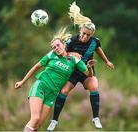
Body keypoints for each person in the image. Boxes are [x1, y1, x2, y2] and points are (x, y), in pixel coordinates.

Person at [47, 1, 114, 131]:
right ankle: (54, 120)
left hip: (86, 71)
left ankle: (95, 118)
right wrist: (72, 53)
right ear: (80, 30)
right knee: (64, 91)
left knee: (94, 87)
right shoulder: (72, 40)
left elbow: (98, 50)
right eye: (83, 33)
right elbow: (62, 53)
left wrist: (107, 61)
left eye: (88, 35)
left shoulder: (95, 42)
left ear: (92, 35)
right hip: (72, 71)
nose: (85, 36)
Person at [14, 27, 96, 131]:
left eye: (58, 45)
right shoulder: (51, 55)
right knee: (35, 118)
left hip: (52, 94)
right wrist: (22, 81)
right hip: (41, 86)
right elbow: (35, 67)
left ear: (63, 45)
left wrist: (89, 67)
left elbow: (89, 75)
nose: (56, 48)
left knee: (38, 125)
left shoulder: (73, 59)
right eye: (54, 47)